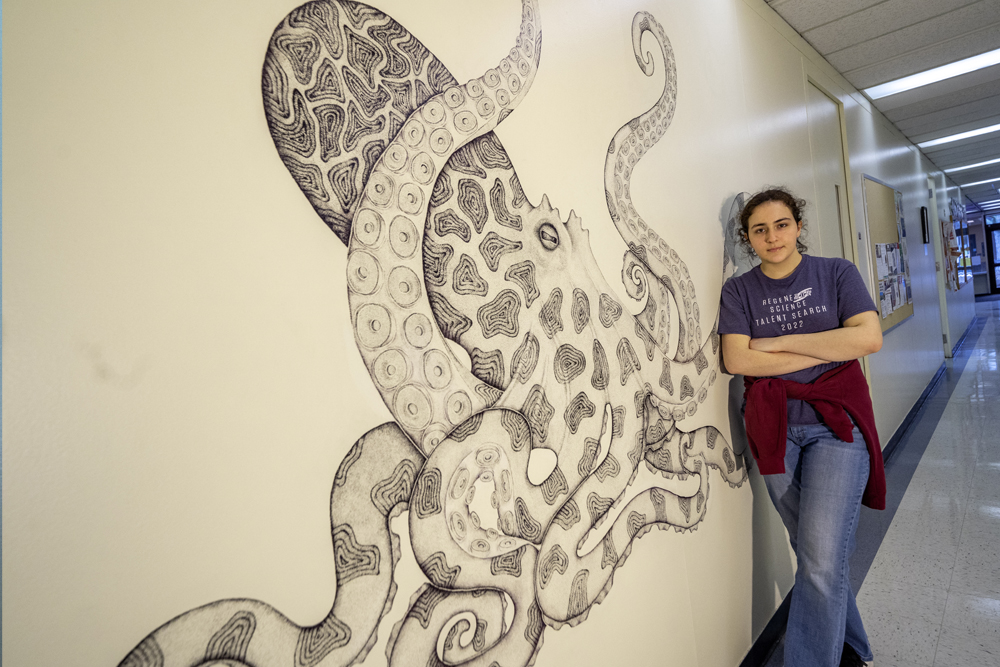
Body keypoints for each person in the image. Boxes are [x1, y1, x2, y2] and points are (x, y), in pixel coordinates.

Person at [718, 188, 886, 667]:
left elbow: (867, 338)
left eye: (782, 224)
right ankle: (851, 647)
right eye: (760, 229)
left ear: (798, 226)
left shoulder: (835, 273)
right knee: (815, 555)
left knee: (821, 559)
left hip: (836, 426)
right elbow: (736, 358)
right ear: (748, 238)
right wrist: (827, 345)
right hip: (773, 428)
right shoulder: (739, 290)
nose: (773, 237)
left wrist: (774, 346)